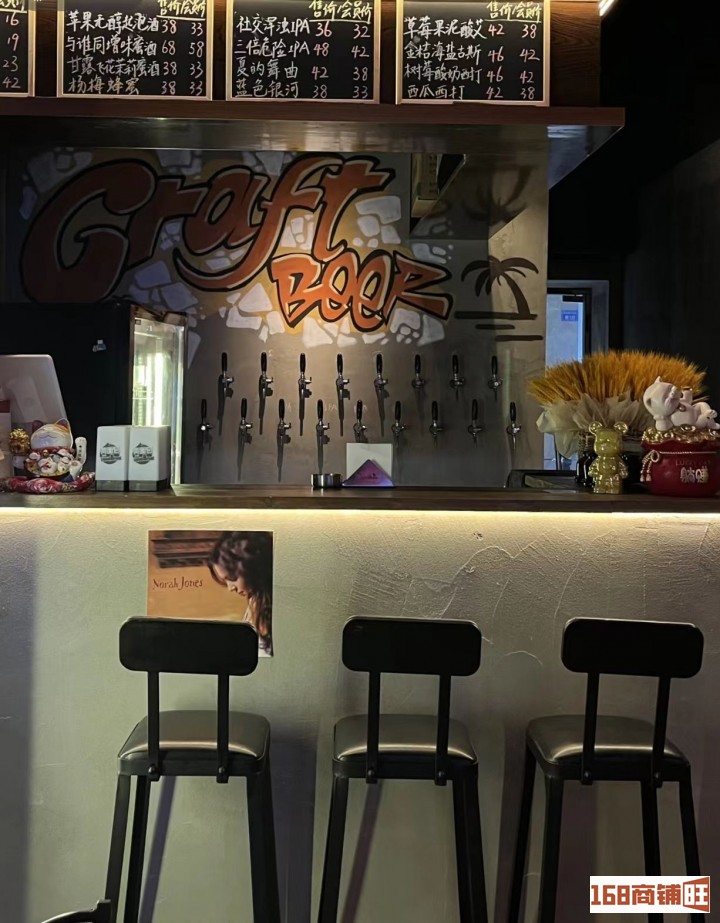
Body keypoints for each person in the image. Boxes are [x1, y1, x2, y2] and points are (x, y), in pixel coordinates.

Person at [208, 531, 273, 656]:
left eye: (231, 578)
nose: (230, 588)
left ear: (250, 568)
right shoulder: (255, 602)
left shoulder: (276, 609)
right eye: (225, 581)